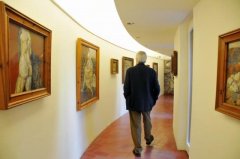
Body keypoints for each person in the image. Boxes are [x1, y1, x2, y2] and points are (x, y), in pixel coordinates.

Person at [123, 51, 160, 157]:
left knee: (135, 125)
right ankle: (148, 138)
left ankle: (138, 148)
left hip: (133, 102)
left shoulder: (130, 71)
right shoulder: (151, 72)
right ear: (145, 59)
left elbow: (126, 88)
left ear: (136, 58)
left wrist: (128, 98)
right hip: (147, 102)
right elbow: (157, 88)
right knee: (147, 120)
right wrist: (153, 99)